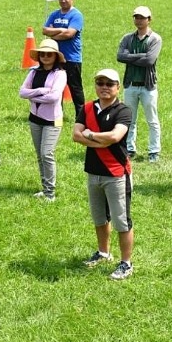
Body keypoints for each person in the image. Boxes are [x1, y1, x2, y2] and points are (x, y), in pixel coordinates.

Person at [71, 69, 135, 281]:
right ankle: (103, 252)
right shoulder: (87, 108)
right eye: (100, 82)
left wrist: (90, 134)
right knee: (99, 217)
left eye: (110, 83)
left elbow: (115, 136)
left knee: (121, 221)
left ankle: (126, 263)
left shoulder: (123, 110)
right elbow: (76, 135)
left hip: (116, 172)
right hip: (94, 171)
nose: (104, 87)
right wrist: (99, 138)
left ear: (118, 87)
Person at [19, 39, 67, 201]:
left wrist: (34, 95)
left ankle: (50, 193)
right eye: (43, 54)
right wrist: (41, 90)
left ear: (55, 57)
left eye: (49, 54)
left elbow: (54, 97)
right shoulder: (33, 72)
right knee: (40, 155)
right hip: (35, 118)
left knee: (47, 154)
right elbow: (22, 92)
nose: (46, 57)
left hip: (52, 120)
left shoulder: (60, 74)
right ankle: (45, 188)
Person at [116, 6, 162, 162]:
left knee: (152, 120)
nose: (139, 20)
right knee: (130, 119)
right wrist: (141, 56)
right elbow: (120, 57)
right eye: (136, 17)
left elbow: (150, 60)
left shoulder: (155, 38)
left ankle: (154, 151)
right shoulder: (127, 38)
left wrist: (131, 56)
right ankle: (129, 148)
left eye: (142, 17)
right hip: (131, 84)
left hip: (148, 85)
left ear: (149, 19)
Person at [43, 0, 85, 117]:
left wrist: (54, 34)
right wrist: (62, 30)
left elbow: (69, 34)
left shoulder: (76, 15)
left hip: (72, 58)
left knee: (75, 88)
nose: (63, 1)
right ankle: (56, 113)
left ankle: (81, 116)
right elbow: (45, 30)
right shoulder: (54, 14)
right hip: (55, 57)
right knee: (55, 88)